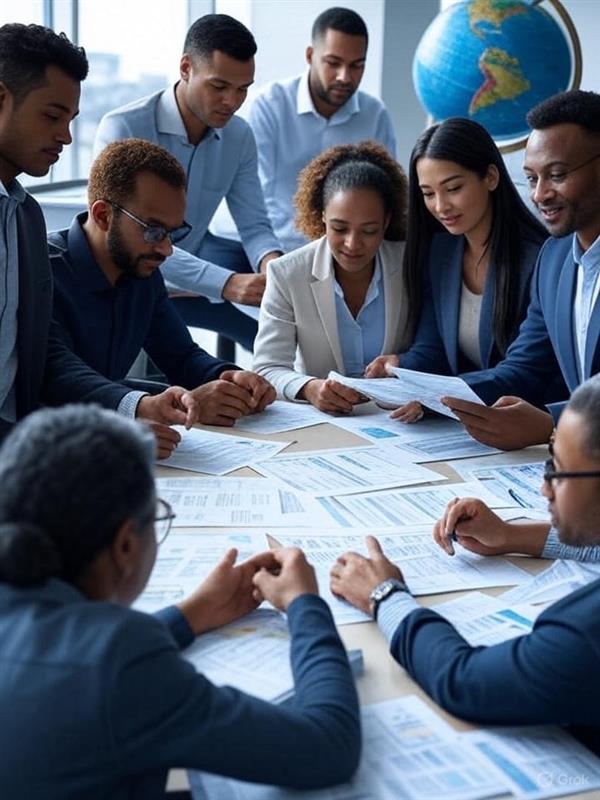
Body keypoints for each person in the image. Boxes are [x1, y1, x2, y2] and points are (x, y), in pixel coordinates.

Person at [0, 404, 361, 797]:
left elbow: (61, 658)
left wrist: (192, 613)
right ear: (125, 545)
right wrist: (305, 605)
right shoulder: (120, 660)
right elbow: (327, 746)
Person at [330, 373, 600, 754]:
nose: (544, 488)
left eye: (556, 469)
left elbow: (465, 682)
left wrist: (384, 594)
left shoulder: (585, 633)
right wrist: (513, 536)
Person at [46, 139, 275, 433]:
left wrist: (230, 378)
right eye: (153, 230)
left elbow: (181, 356)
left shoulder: (141, 270)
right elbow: (54, 377)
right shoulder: (42, 270)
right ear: (103, 215)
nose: (166, 249)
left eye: (173, 232)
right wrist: (144, 408)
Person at [94, 14, 283, 353]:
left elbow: (254, 225)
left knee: (275, 342)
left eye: (242, 89)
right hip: (127, 281)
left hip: (191, 287)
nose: (232, 102)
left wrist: (273, 267)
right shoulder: (122, 128)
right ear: (185, 68)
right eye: (219, 86)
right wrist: (226, 283)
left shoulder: (239, 135)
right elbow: (126, 239)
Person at [437, 90, 600, 450]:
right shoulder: (554, 259)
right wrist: (433, 395)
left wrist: (552, 426)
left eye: (556, 175)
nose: (540, 194)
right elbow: (525, 368)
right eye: (531, 178)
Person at [364, 117, 549, 422]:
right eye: (428, 193)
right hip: (469, 426)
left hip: (529, 423)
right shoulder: (441, 252)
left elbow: (523, 371)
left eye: (453, 188)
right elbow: (434, 346)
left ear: (490, 177)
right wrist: (400, 365)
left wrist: (437, 399)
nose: (441, 206)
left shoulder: (538, 259)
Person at [252, 141, 409, 413]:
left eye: (369, 231)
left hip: (401, 417)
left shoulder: (410, 264)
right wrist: (310, 388)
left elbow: (434, 349)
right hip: (328, 422)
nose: (352, 244)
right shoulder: (287, 273)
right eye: (339, 228)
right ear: (322, 216)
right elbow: (268, 367)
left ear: (386, 222)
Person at [0, 22, 91, 442]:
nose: (66, 136)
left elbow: (40, 350)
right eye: (52, 116)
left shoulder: (26, 216)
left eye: (70, 119)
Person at [248, 6, 396, 252]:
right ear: (310, 55)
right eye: (333, 63)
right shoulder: (269, 106)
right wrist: (280, 258)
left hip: (338, 247)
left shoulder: (375, 115)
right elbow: (259, 198)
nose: (344, 77)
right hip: (260, 241)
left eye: (357, 65)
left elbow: (383, 193)